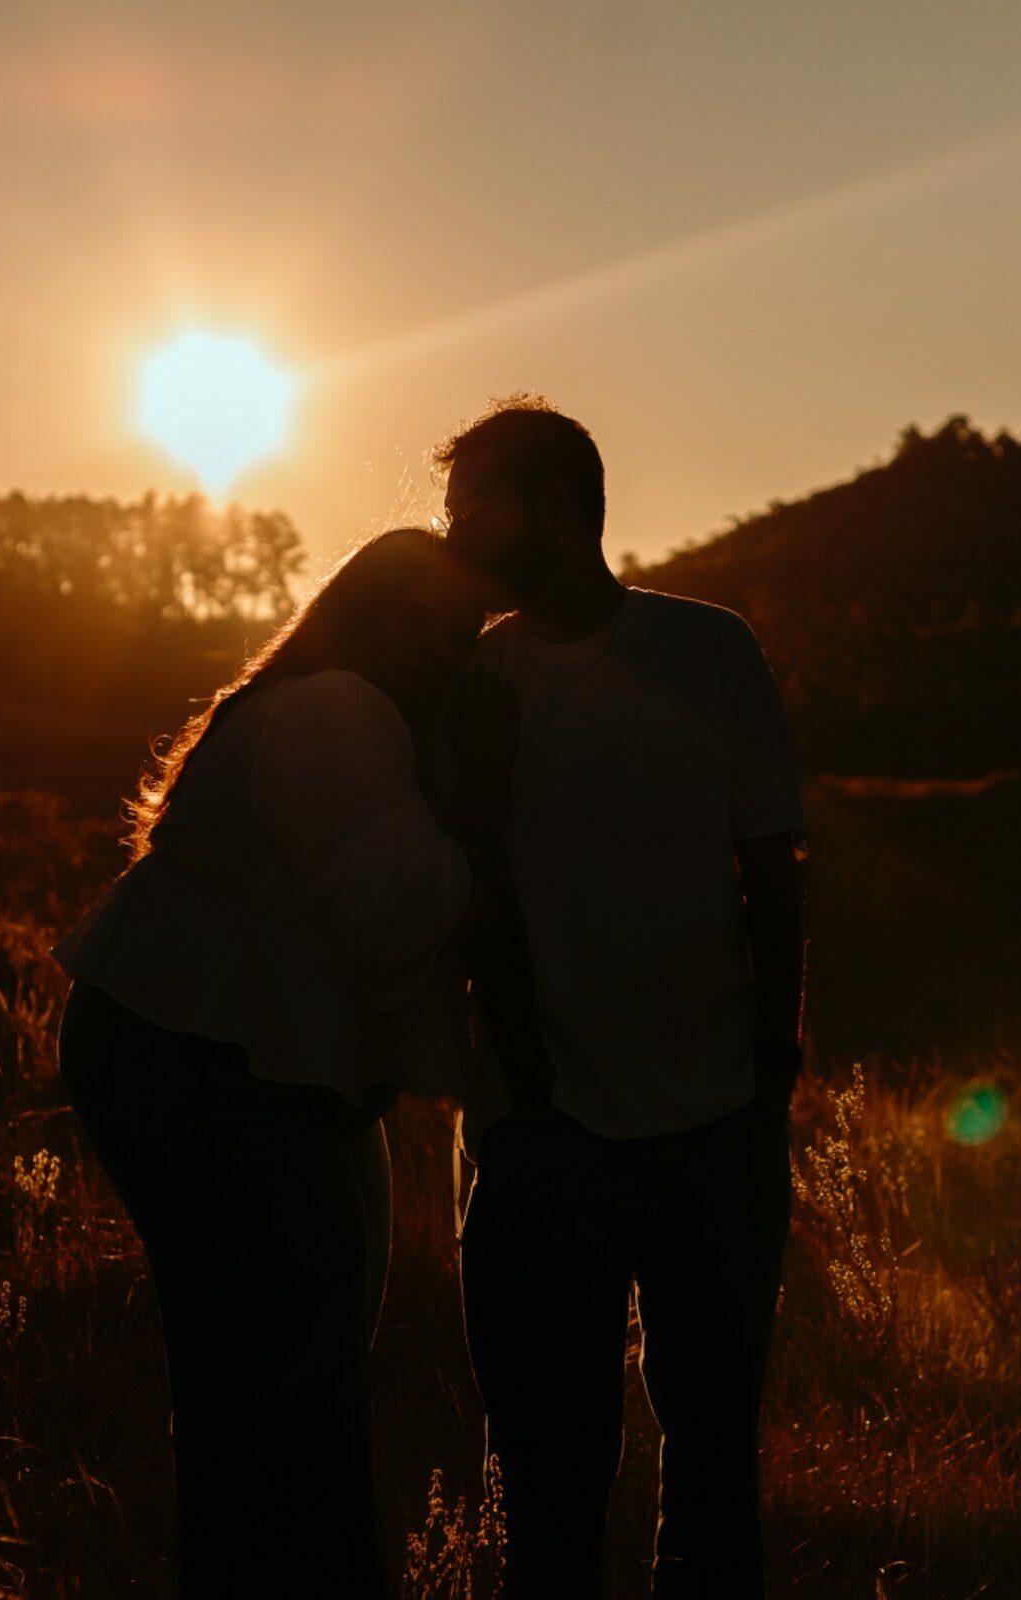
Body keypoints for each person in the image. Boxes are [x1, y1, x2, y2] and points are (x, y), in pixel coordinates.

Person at [51, 527, 515, 1598]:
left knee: (270, 1361)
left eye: (461, 630)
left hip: (228, 1049)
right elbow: (400, 913)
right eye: (420, 618)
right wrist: (487, 817)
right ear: (360, 610)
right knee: (288, 1364)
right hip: (211, 1055)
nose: (442, 645)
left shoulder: (350, 709)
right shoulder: (328, 712)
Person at [437, 397, 808, 1599]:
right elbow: (455, 892)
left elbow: (774, 870)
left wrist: (768, 1079)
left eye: (475, 514)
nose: (459, 544)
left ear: (560, 509)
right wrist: (525, 1097)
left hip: (714, 1133)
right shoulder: (474, 680)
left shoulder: (710, 652)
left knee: (712, 1485)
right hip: (547, 1143)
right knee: (549, 1489)